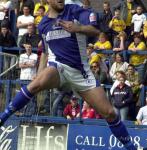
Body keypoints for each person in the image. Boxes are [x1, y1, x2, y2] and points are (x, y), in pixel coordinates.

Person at [0, 1, 137, 149]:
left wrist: (79, 28)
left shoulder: (74, 11)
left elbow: (96, 31)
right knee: (35, 85)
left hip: (81, 73)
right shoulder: (43, 24)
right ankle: (3, 117)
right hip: (59, 68)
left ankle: (130, 147)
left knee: (109, 113)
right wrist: (39, 73)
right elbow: (46, 52)